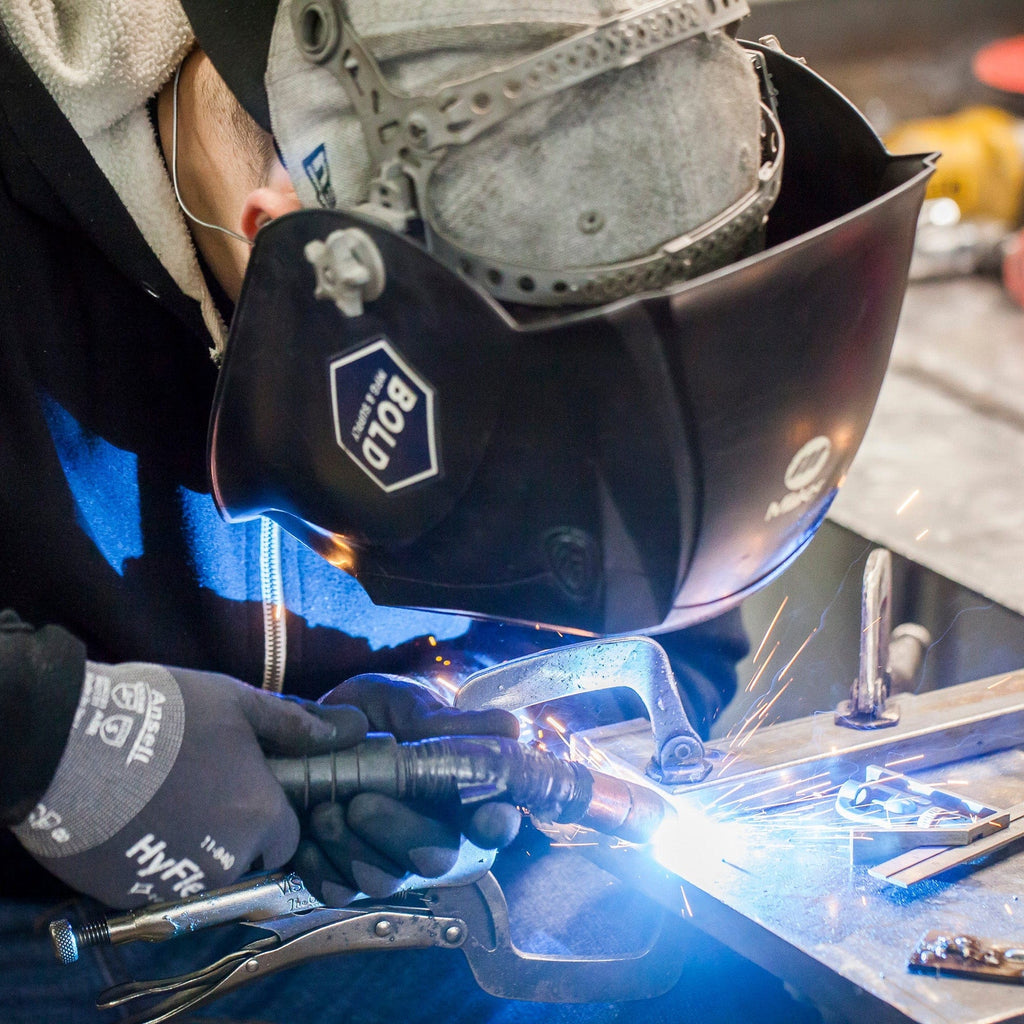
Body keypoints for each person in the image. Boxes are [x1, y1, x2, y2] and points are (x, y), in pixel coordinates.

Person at [0, 1, 762, 1020]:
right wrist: (46, 729)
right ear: (283, 249)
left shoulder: (603, 176)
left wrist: (496, 736)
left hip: (400, 917)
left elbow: (674, 654)